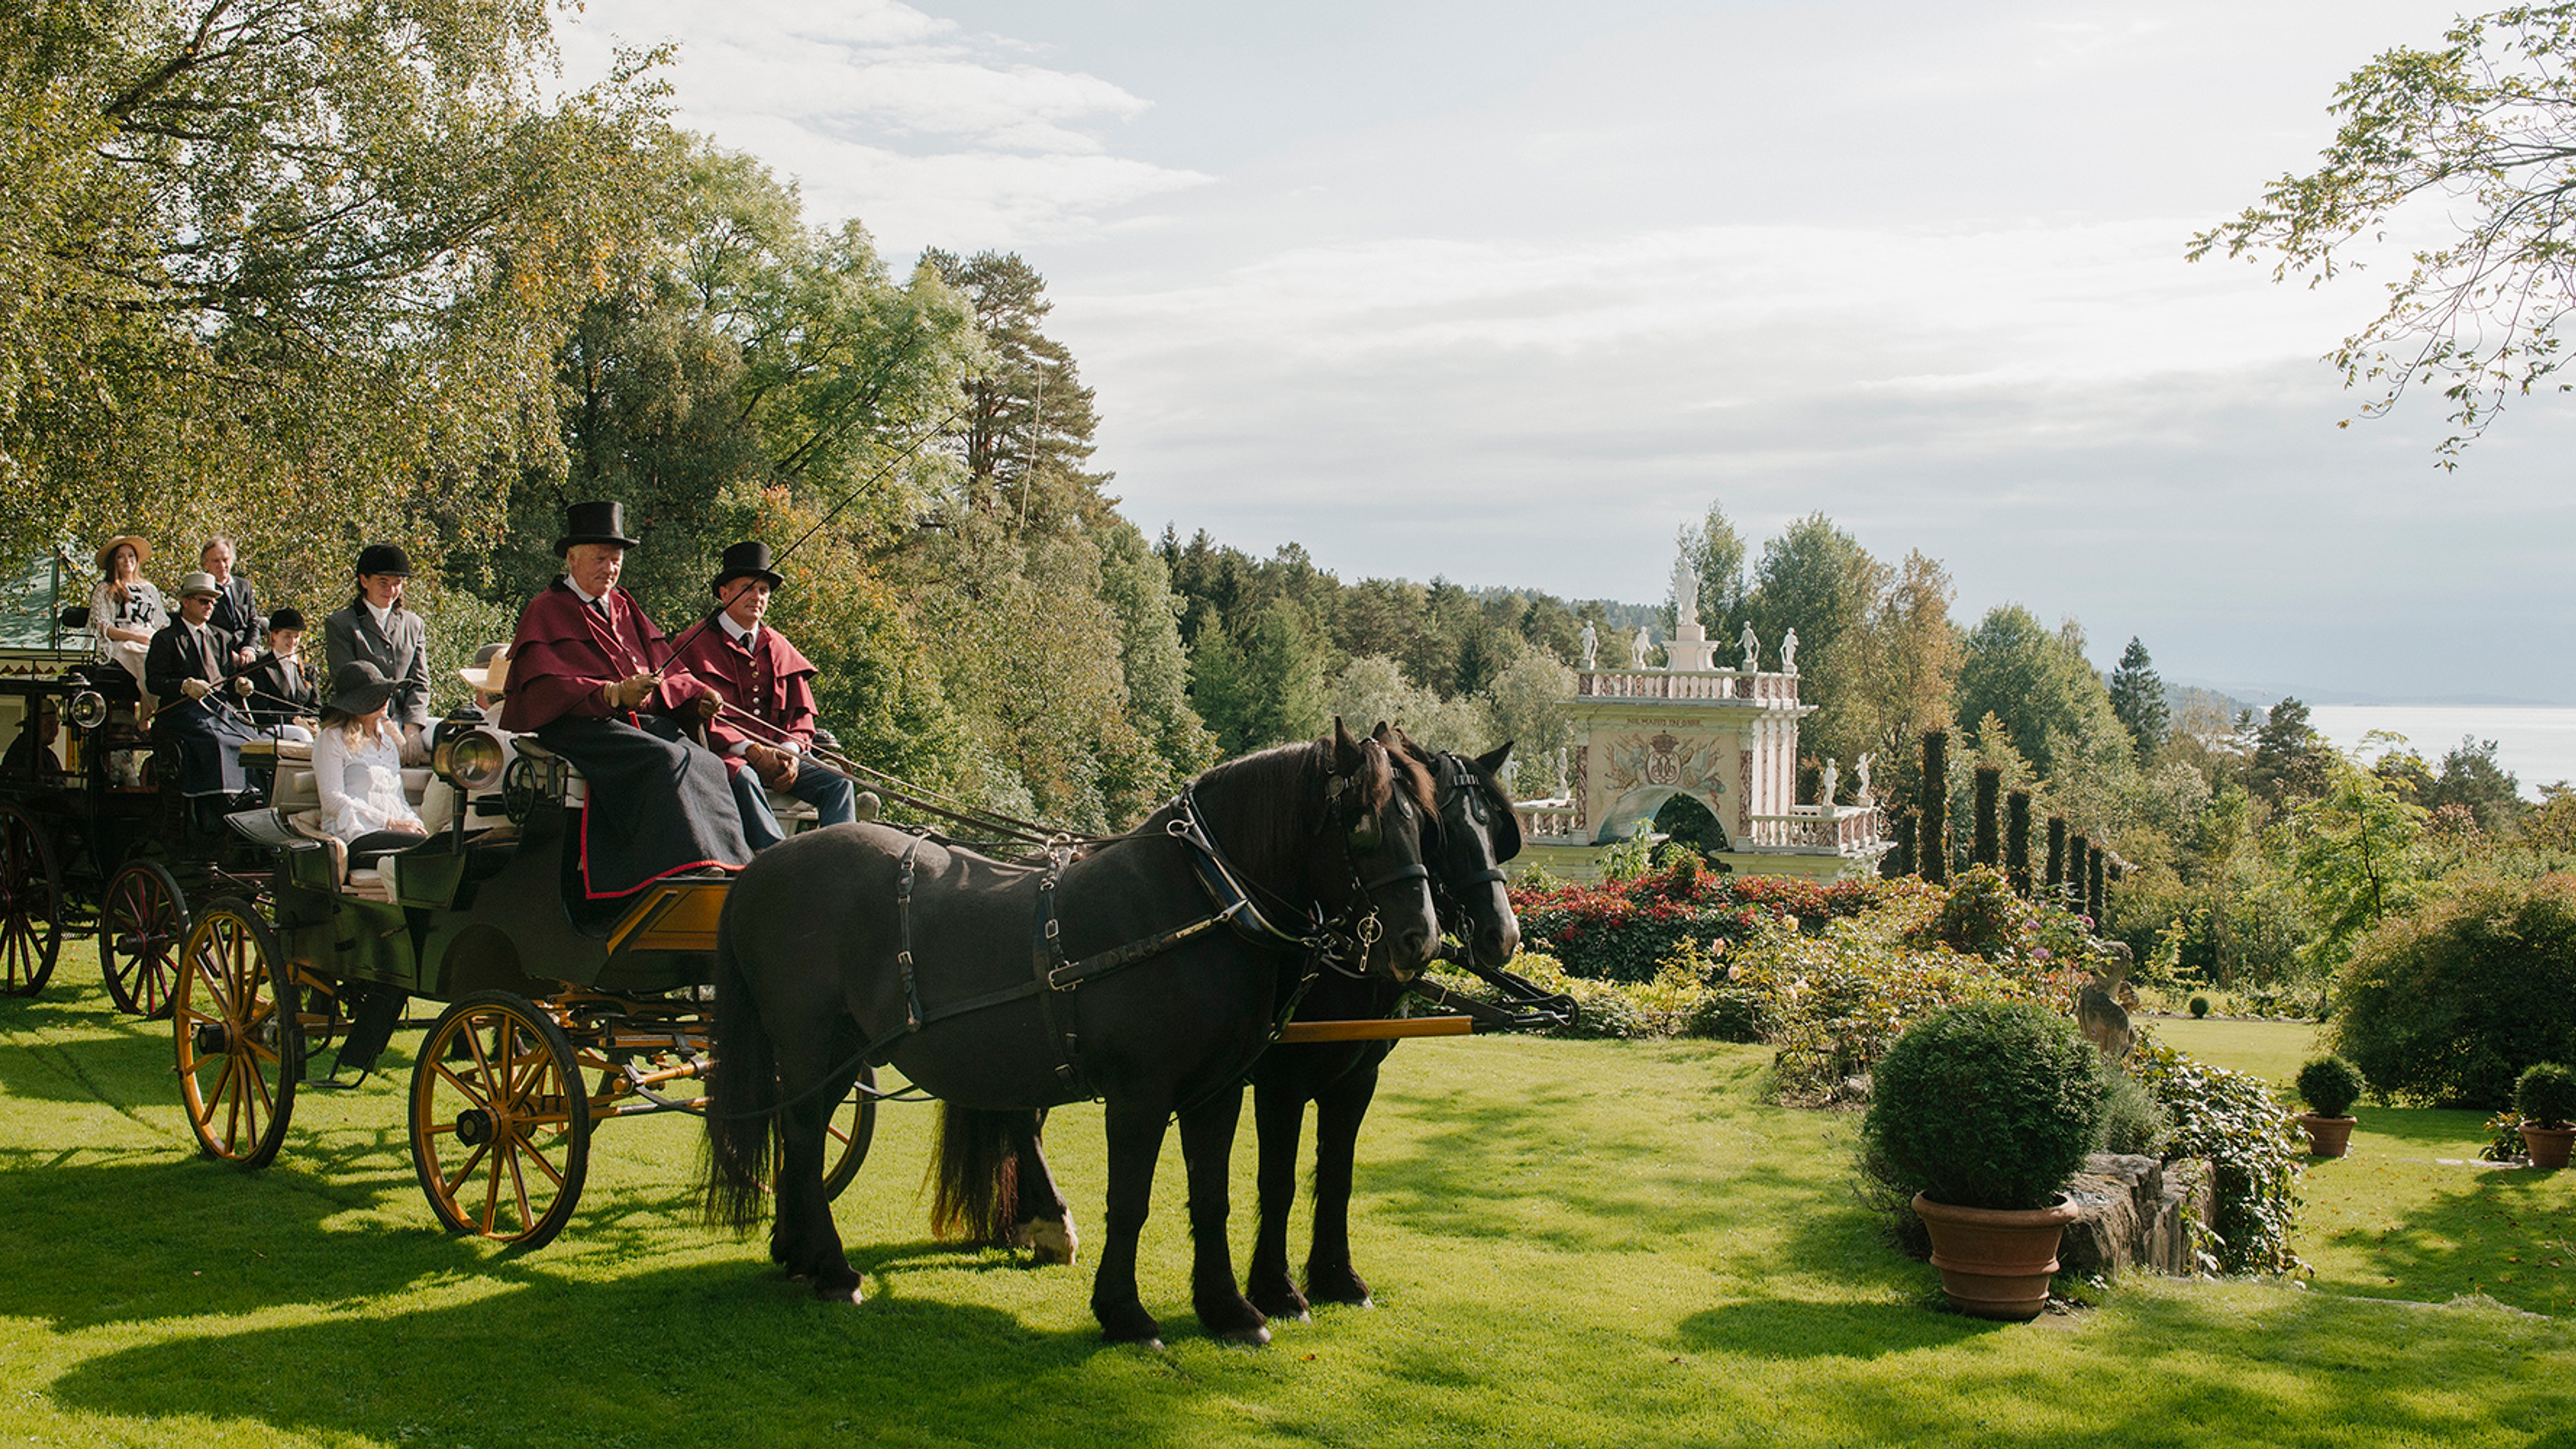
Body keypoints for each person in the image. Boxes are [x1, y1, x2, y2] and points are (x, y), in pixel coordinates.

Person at [497, 500, 762, 898]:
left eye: (616, 559)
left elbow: (666, 668)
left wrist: (697, 698)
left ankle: (726, 865)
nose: (610, 568)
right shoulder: (545, 610)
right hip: (579, 728)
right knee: (665, 759)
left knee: (708, 761)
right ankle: (676, 871)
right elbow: (547, 687)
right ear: (572, 558)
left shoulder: (623, 605)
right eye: (600, 558)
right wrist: (611, 694)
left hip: (634, 726)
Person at [670, 541, 861, 847]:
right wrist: (751, 751)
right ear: (725, 593)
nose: (757, 597)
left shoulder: (779, 646)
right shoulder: (692, 644)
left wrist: (791, 753)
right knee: (744, 778)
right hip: (724, 757)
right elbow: (689, 714)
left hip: (781, 758)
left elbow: (801, 716)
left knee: (837, 781)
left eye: (763, 591)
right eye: (747, 588)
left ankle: (839, 857)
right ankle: (774, 859)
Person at [144, 570, 262, 827]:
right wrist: (184, 686)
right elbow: (154, 682)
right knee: (216, 739)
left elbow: (228, 682)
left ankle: (253, 799)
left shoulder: (222, 637)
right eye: (203, 601)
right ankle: (217, 812)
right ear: (185, 601)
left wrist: (240, 686)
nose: (210, 606)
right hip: (182, 713)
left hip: (219, 711)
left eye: (213, 602)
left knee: (255, 741)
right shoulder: (166, 639)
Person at [312, 661, 429, 869]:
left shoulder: (388, 744)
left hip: (391, 834)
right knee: (429, 850)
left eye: (385, 693)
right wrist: (390, 823)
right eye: (375, 695)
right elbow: (331, 798)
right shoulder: (332, 738)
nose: (386, 699)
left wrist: (414, 823)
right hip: (357, 835)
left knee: (440, 846)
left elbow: (398, 799)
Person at [323, 543, 431, 765]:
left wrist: (412, 728)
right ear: (364, 581)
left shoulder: (414, 624)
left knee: (450, 742)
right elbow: (349, 686)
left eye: (397, 584)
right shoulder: (342, 624)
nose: (391, 591)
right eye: (383, 583)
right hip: (361, 720)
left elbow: (420, 682)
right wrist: (389, 728)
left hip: (406, 719)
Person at [89, 535, 166, 702]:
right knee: (146, 659)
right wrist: (136, 637)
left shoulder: (149, 589)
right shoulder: (105, 589)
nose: (127, 560)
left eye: (130, 555)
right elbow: (104, 627)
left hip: (150, 639)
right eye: (120, 556)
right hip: (123, 642)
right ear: (113, 561)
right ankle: (159, 710)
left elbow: (162, 623)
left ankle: (147, 717)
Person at [239, 606, 319, 739]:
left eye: (297, 637)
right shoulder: (259, 669)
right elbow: (260, 713)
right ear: (274, 635)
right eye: (287, 636)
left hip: (304, 728)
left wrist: (312, 722)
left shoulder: (309, 670)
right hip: (272, 729)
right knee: (303, 735)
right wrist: (294, 721)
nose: (293, 642)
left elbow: (315, 707)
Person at [200, 537, 260, 667]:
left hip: (246, 652)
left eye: (225, 560)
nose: (222, 565)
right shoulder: (200, 589)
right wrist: (226, 653)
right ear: (205, 564)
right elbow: (201, 628)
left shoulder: (244, 586)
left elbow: (253, 622)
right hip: (215, 654)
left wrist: (249, 648)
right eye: (216, 561)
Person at [2, 701, 63, 780]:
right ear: (34, 725)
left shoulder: (46, 754)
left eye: (56, 725)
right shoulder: (22, 753)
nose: (55, 731)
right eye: (49, 725)